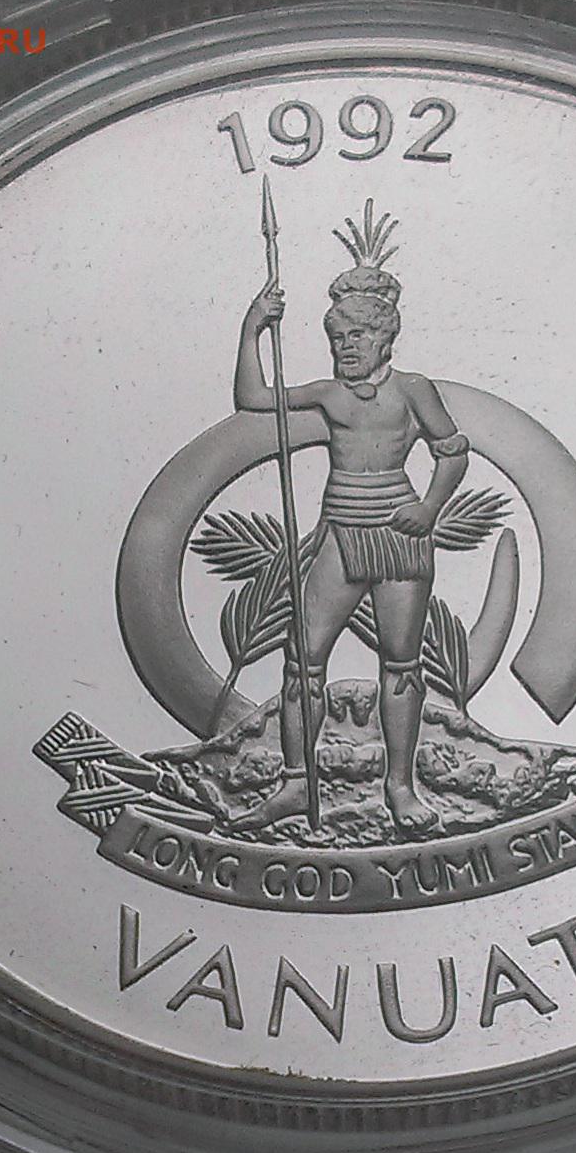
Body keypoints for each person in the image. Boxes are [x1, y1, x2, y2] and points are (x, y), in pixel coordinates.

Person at [230, 202, 469, 834]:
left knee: (402, 663)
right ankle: (295, 783)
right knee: (303, 657)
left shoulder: (413, 389)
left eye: (358, 337)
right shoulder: (330, 393)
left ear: (385, 338)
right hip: (341, 534)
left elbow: (452, 450)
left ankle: (400, 787)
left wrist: (429, 507)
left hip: (399, 536)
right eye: (338, 339)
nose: (346, 348)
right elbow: (253, 399)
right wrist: (252, 329)